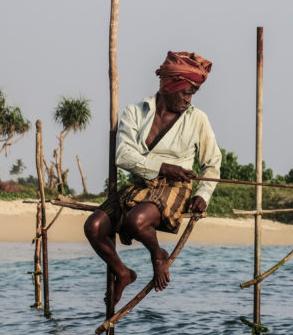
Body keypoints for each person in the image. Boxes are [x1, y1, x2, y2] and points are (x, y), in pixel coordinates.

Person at [84, 51, 221, 303]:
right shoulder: (135, 112)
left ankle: (158, 255)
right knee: (93, 227)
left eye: (193, 94)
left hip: (174, 188)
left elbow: (212, 163)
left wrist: (203, 195)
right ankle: (123, 273)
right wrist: (162, 167)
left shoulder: (197, 119)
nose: (189, 100)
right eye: (186, 93)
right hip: (140, 185)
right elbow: (123, 155)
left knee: (136, 222)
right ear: (170, 86)